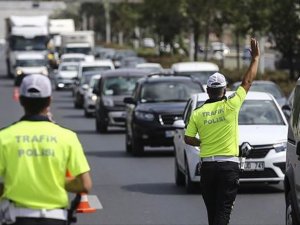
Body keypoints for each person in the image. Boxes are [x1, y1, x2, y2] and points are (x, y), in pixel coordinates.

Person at [184, 38, 260, 225]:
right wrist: (255, 59)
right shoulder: (231, 105)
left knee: (213, 214)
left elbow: (187, 138)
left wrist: (202, 143)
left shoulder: (198, 112)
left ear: (208, 91)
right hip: (228, 168)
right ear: (224, 90)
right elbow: (247, 81)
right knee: (223, 213)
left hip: (208, 168)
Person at [0, 74, 92, 225]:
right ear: (49, 100)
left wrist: (13, 185)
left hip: (16, 217)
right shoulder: (67, 137)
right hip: (55, 217)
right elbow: (84, 185)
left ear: (21, 100)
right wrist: (54, 180)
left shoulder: (4, 137)